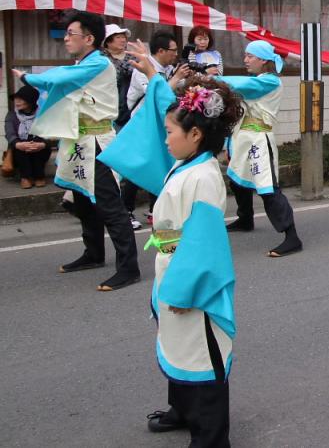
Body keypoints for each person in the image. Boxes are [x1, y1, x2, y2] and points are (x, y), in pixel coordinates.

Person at [98, 66, 241, 446]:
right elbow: (168, 109)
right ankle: (183, 410)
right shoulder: (187, 160)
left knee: (203, 356)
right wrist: (154, 76)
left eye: (170, 133)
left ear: (194, 134)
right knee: (177, 345)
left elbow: (205, 247)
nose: (164, 139)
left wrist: (181, 291)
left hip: (189, 279)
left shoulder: (203, 176)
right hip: (172, 266)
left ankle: (211, 436)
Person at [12, 10, 140, 290]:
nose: (66, 38)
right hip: (77, 143)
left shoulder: (96, 64)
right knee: (82, 201)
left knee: (110, 206)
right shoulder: (82, 64)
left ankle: (128, 267)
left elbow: (57, 79)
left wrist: (26, 78)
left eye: (71, 33)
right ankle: (93, 254)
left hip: (96, 143)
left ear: (90, 38)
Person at [222, 40, 303, 257]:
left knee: (268, 189)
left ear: (264, 60)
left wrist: (210, 79)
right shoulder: (259, 79)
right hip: (243, 139)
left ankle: (292, 236)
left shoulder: (270, 81)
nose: (245, 59)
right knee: (237, 179)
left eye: (250, 56)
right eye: (246, 55)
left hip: (259, 139)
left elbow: (240, 86)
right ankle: (245, 218)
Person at [123, 29, 179, 229]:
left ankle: (156, 209)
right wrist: (176, 79)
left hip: (159, 124)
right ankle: (126, 211)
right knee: (138, 168)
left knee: (159, 165)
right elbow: (156, 93)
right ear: (162, 50)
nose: (176, 54)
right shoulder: (143, 68)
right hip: (142, 125)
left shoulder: (166, 69)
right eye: (173, 50)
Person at [5, 85, 52, 188]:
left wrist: (42, 144)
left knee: (35, 142)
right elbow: (10, 133)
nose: (17, 102)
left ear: (31, 101)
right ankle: (25, 177)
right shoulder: (12, 115)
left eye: (21, 99)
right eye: (16, 99)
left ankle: (39, 176)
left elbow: (49, 133)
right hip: (18, 148)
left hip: (39, 147)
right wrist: (18, 144)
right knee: (22, 145)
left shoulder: (42, 114)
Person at [102, 24, 134, 131]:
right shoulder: (101, 59)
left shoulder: (132, 57)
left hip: (131, 107)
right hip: (109, 108)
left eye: (124, 37)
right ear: (108, 41)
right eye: (118, 37)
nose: (123, 40)